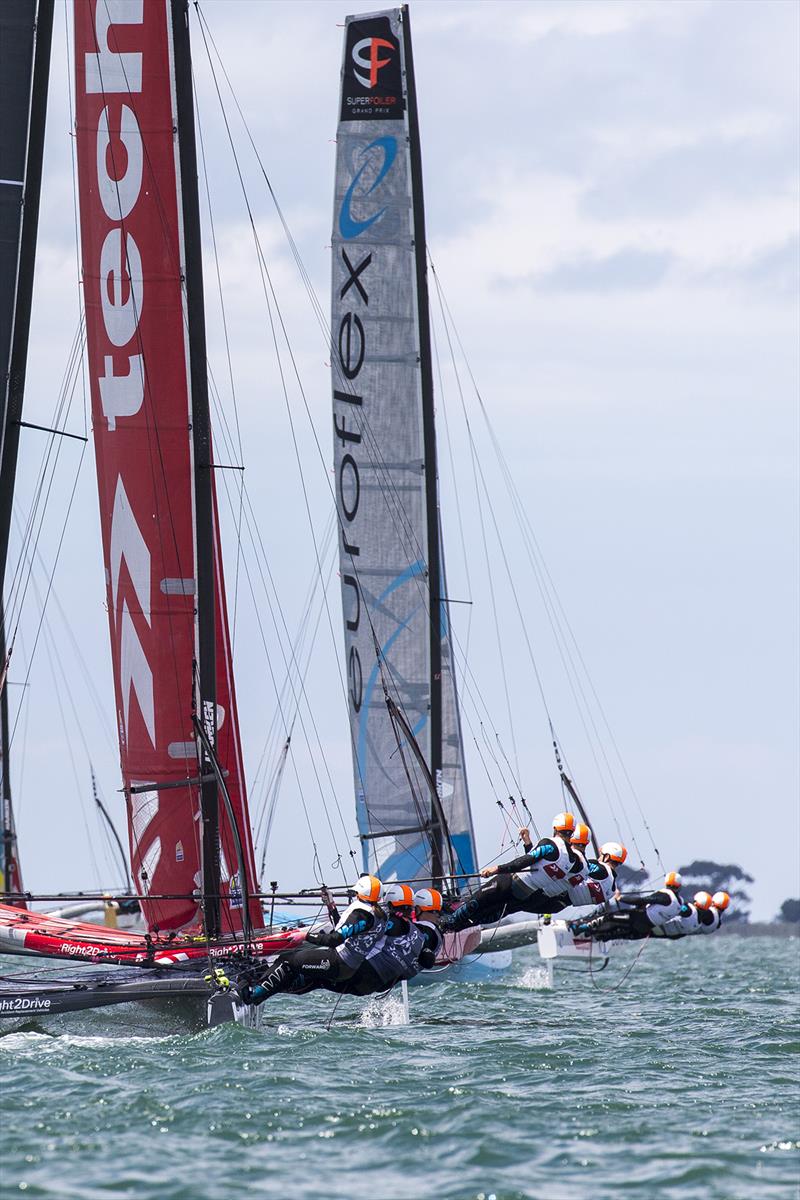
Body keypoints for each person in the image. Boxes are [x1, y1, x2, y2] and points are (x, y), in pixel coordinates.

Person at [239, 874, 388, 1005]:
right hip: (348, 966)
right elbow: (341, 931)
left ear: (361, 893)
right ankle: (259, 994)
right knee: (295, 970)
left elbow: (334, 939)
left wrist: (305, 936)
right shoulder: (377, 916)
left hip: (338, 961)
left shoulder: (360, 915)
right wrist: (331, 906)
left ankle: (252, 996)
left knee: (287, 960)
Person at [441, 813, 582, 932]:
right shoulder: (572, 860)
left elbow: (526, 861)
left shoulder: (550, 844)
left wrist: (497, 869)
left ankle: (444, 925)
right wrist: (527, 841)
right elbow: (539, 867)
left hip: (510, 881)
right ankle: (455, 928)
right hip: (525, 893)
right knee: (489, 913)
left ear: (555, 828)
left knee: (475, 902)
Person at [572, 870, 684, 941]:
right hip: (645, 928)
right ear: (679, 886)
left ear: (666, 883)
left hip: (638, 918)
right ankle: (596, 936)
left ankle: (582, 927)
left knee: (610, 917)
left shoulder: (666, 895)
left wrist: (620, 898)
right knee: (618, 931)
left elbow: (642, 900)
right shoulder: (680, 902)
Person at [565, 840, 627, 907]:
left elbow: (577, 865)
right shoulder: (613, 888)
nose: (599, 858)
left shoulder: (601, 868)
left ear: (607, 857)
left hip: (560, 894)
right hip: (563, 904)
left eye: (601, 855)